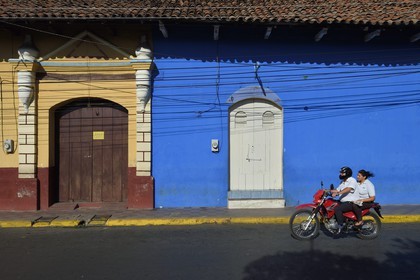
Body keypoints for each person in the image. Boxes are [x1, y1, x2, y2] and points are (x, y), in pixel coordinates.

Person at [331, 166, 359, 233]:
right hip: (343, 202)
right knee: (332, 205)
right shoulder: (342, 182)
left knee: (337, 209)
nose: (340, 174)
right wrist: (327, 191)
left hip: (351, 202)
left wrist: (338, 193)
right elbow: (337, 190)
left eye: (342, 173)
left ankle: (341, 225)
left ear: (347, 173)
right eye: (340, 172)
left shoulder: (352, 180)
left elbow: (348, 189)